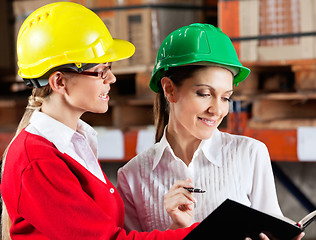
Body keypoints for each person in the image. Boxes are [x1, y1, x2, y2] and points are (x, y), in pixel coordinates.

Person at [0, 3, 198, 239]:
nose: (112, 79)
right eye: (101, 71)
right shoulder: (37, 161)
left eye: (110, 68)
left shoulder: (74, 143)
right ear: (59, 82)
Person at [117, 23, 305, 240]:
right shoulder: (133, 176)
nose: (217, 110)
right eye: (204, 93)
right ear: (169, 90)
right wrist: (175, 229)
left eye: (226, 97)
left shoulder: (250, 154)